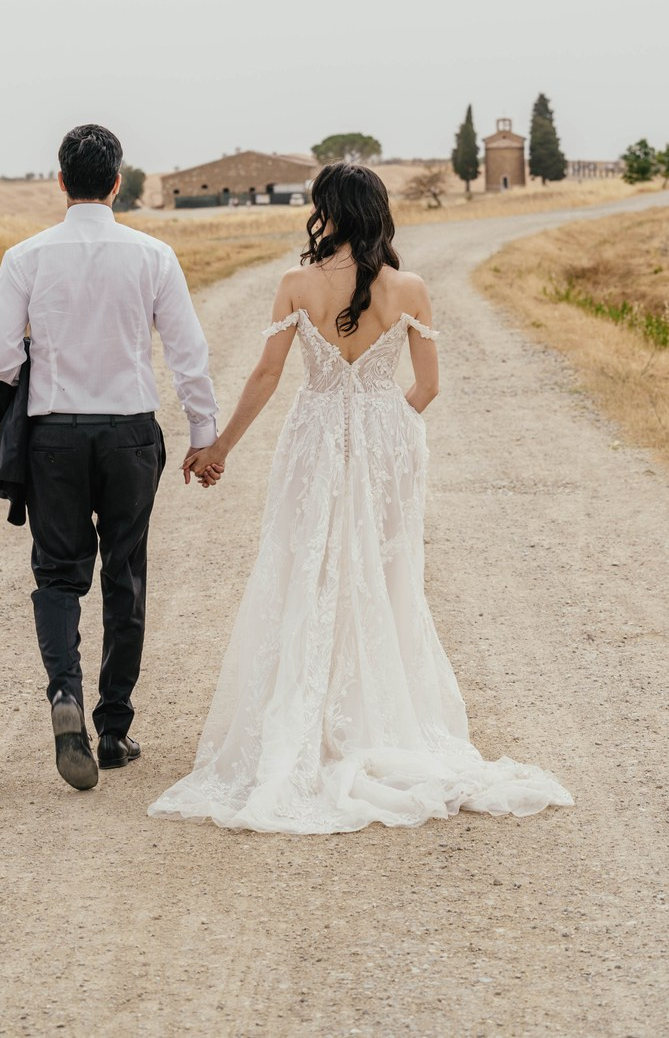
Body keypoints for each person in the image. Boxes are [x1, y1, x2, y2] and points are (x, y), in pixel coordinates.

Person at [148, 162, 573, 833]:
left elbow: (266, 374)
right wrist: (381, 431)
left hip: (313, 439)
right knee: (380, 572)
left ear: (328, 212)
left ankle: (309, 717)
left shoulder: (296, 284)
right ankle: (376, 714)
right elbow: (428, 389)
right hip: (385, 443)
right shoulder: (411, 289)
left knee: (306, 564)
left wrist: (219, 447)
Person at [0, 123, 221, 791]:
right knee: (125, 572)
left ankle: (66, 698)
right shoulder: (154, 256)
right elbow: (187, 355)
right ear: (118, 182)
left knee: (58, 576)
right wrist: (204, 432)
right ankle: (114, 731)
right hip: (129, 434)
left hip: (54, 434)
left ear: (61, 182)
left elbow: (0, 357)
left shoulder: (24, 257)